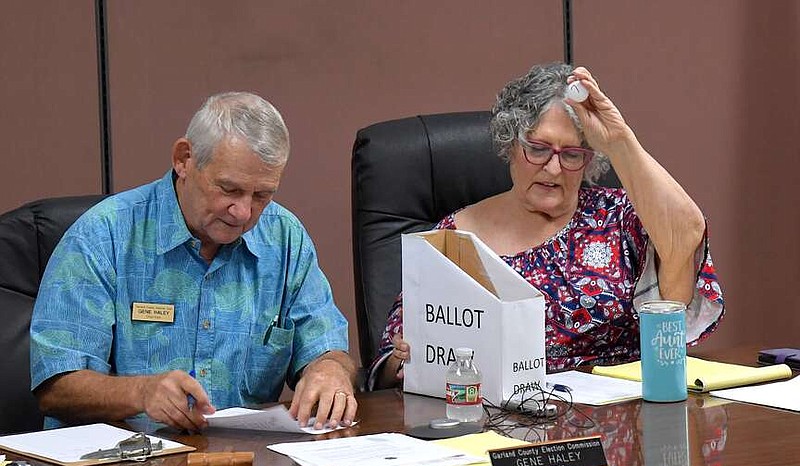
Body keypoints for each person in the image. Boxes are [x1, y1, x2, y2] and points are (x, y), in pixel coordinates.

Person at [368, 63, 724, 390]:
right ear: (510, 145)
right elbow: (392, 360)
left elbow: (688, 231)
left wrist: (619, 141)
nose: (553, 169)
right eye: (537, 150)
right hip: (500, 424)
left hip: (622, 422)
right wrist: (404, 359)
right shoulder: (454, 238)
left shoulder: (621, 217)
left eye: (571, 155)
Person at [30, 92, 358, 431]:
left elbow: (326, 345)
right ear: (184, 159)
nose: (243, 212)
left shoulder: (284, 238)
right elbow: (56, 386)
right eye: (229, 189)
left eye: (262, 195)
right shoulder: (103, 236)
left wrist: (330, 368)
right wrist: (140, 391)